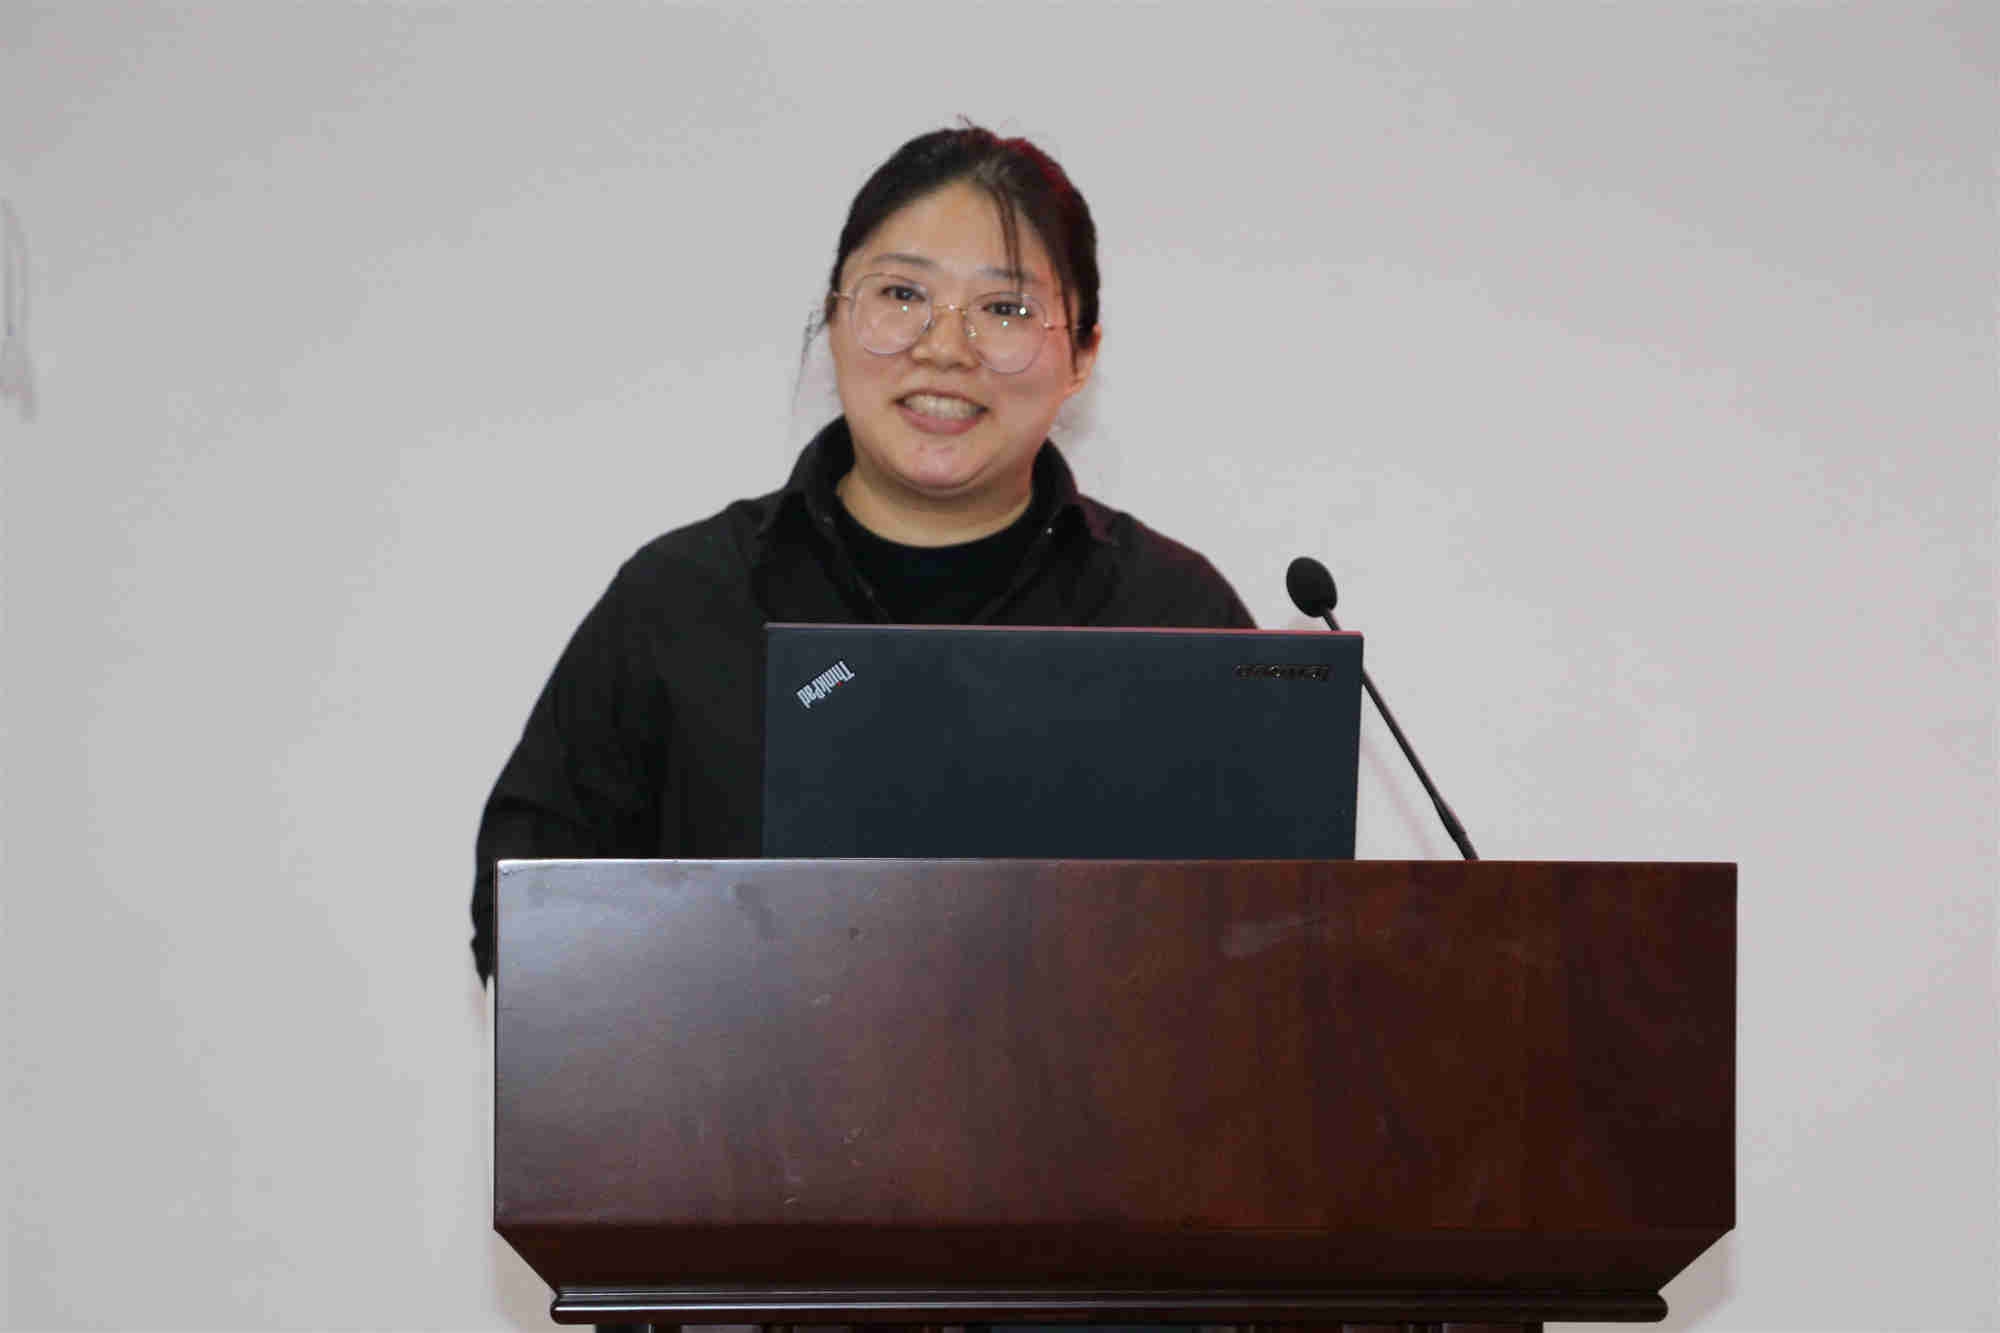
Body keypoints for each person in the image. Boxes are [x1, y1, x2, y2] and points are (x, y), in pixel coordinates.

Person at [470, 124, 1255, 983]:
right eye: (901, 294)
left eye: (1005, 309)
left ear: (1083, 355)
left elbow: (1279, 948)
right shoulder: (682, 603)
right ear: (836, 319)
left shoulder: (1174, 616)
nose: (944, 348)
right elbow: (521, 923)